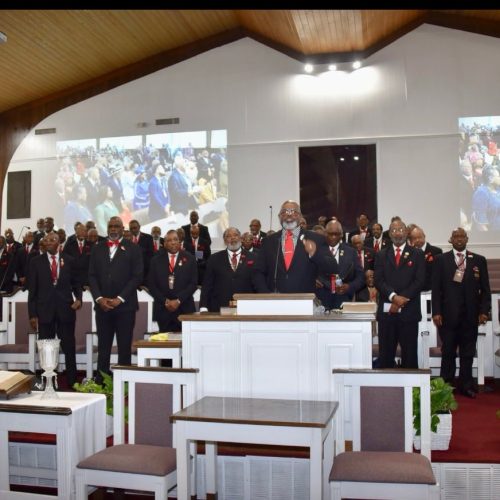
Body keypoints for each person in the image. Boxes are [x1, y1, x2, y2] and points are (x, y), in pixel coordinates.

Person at [431, 228, 491, 398]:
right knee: (448, 352)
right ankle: (445, 387)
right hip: (448, 316)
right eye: (455, 236)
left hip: (471, 316)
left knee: (468, 353)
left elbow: (486, 290)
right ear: (450, 240)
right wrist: (436, 312)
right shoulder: (440, 260)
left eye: (462, 236)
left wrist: (484, 311)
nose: (459, 239)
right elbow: (436, 289)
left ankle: (466, 385)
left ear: (467, 239)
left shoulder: (479, 260)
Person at [88, 216, 143, 382]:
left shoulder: (133, 248)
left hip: (125, 307)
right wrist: (99, 298)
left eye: (116, 226)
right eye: (110, 226)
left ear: (122, 229)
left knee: (124, 347)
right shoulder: (97, 248)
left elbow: (137, 276)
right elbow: (91, 276)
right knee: (103, 348)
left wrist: (120, 298)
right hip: (103, 307)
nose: (113, 229)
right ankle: (101, 383)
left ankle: (124, 382)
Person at [27, 232, 82, 387]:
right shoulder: (35, 262)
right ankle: (48, 383)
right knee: (46, 349)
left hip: (66, 310)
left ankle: (72, 382)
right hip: (44, 312)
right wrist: (32, 314)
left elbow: (76, 284)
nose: (49, 242)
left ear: (59, 243)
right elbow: (32, 291)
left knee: (69, 347)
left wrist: (79, 299)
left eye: (52, 240)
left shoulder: (70, 260)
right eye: (46, 240)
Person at [253, 200, 338, 293]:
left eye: (293, 212)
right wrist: (266, 295)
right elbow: (258, 272)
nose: (289, 215)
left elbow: (332, 268)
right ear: (279, 217)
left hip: (305, 299)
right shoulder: (268, 241)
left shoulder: (316, 239)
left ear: (300, 217)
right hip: (275, 299)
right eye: (285, 212)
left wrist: (315, 254)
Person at [374, 219, 425, 369]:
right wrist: (394, 297)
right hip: (387, 314)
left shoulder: (417, 254)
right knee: (385, 357)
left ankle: (411, 384)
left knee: (410, 357)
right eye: (394, 230)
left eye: (401, 229)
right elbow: (378, 280)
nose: (398, 233)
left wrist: (401, 299)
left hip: (409, 313)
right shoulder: (381, 255)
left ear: (406, 232)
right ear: (389, 234)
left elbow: (420, 280)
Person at [148, 230, 197, 332]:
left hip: (184, 308)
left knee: (186, 340)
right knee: (165, 341)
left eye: (175, 239)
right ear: (165, 244)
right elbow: (151, 285)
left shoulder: (190, 259)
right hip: (163, 309)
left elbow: (193, 284)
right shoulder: (155, 260)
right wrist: (165, 301)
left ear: (180, 242)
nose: (173, 242)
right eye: (169, 240)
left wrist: (178, 300)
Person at [200, 227, 256, 312]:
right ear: (225, 241)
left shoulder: (254, 258)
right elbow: (207, 285)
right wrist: (203, 306)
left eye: (235, 235)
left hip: (246, 307)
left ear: (241, 238)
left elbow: (258, 283)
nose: (233, 238)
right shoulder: (214, 259)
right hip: (219, 307)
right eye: (229, 236)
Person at [316, 220, 364, 310]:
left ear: (341, 235)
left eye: (336, 234)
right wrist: (313, 280)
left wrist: (349, 287)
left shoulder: (351, 252)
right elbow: (307, 272)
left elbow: (361, 277)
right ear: (325, 234)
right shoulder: (317, 251)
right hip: (321, 301)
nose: (333, 237)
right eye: (330, 234)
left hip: (343, 300)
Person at [408, 225, 443, 291]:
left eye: (419, 237)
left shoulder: (436, 251)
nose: (417, 240)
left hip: (431, 290)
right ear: (411, 240)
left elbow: (439, 273)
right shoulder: (409, 253)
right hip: (415, 291)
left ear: (424, 236)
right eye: (414, 238)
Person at [471, 165, 500, 231]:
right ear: (490, 179)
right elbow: (480, 224)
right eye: (498, 176)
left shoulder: (498, 189)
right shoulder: (481, 193)